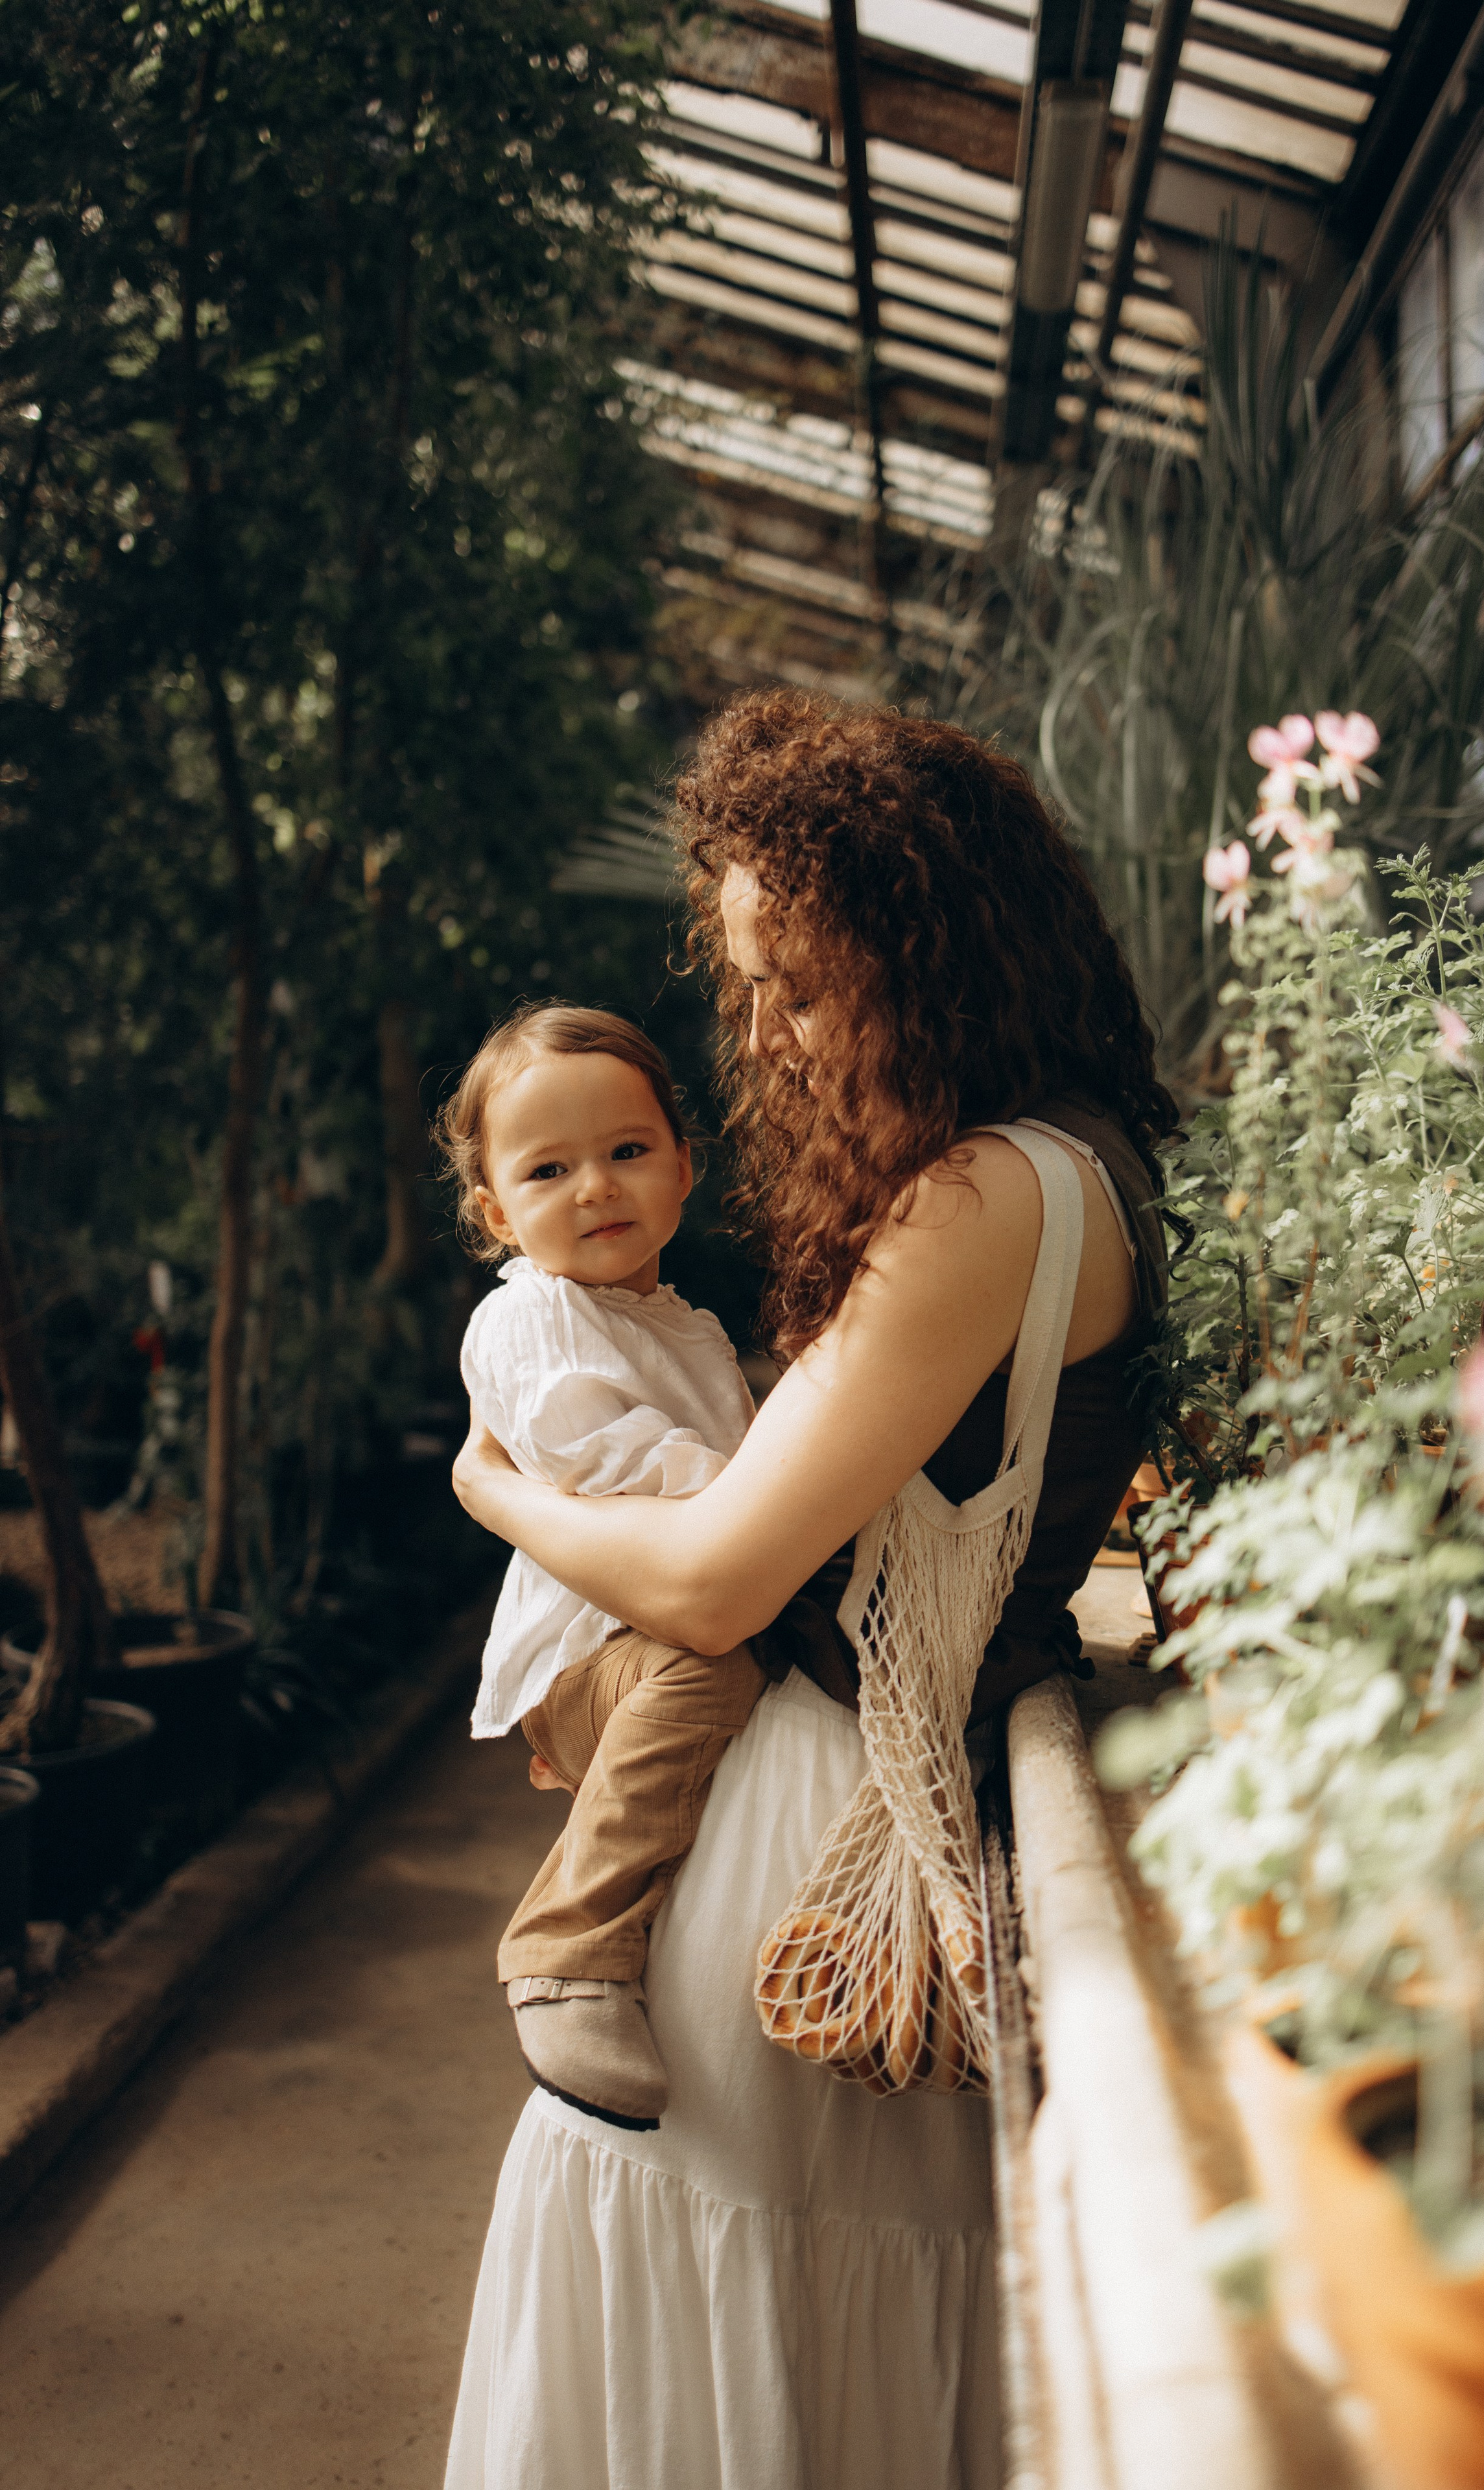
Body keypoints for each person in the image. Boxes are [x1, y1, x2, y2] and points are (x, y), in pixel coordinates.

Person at [445, 693, 1177, 2490]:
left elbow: (711, 1578)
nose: (776, 1026)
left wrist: (491, 1491)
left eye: (802, 976)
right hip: (875, 1829)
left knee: (739, 2371)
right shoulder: (1097, 1161)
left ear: (924, 944)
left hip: (813, 1845)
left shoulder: (991, 1193)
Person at [437, 1002, 760, 2127]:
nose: (595, 1188)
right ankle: (565, 1950)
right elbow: (600, 1457)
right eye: (548, 1169)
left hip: (669, 1614)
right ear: (496, 1211)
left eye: (627, 1152)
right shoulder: (529, 1321)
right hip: (592, 1662)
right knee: (708, 1675)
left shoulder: (689, 1324)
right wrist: (766, 1495)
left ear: (684, 1165)